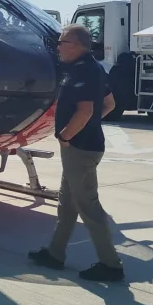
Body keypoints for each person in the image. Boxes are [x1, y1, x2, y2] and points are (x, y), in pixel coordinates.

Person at [28, 23, 122, 282]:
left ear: (79, 46)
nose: (58, 47)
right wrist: (86, 127)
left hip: (80, 148)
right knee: (67, 204)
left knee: (88, 206)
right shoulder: (93, 68)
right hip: (82, 146)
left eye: (63, 42)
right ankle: (55, 254)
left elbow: (86, 110)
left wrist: (66, 135)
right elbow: (109, 104)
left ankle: (111, 266)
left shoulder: (83, 72)